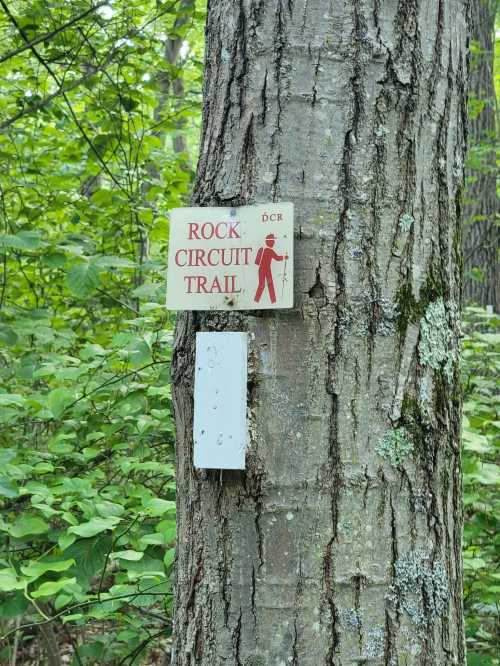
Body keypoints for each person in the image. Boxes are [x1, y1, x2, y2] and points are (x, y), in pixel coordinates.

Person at [254, 233, 288, 304]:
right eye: (273, 241)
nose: (274, 242)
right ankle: (269, 301)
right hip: (264, 269)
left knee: (266, 284)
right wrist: (284, 257)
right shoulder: (268, 250)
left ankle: (268, 301)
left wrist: (284, 257)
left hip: (264, 269)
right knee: (265, 285)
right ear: (269, 242)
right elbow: (277, 258)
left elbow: (256, 262)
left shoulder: (263, 249)